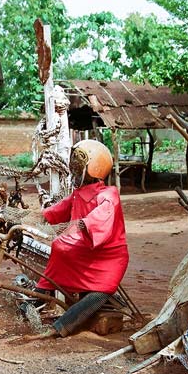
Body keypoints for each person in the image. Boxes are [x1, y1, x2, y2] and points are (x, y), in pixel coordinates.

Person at [35, 140, 129, 337]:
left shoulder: (109, 195)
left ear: (94, 169)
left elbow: (101, 220)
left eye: (79, 169)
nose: (76, 174)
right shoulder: (78, 194)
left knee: (98, 293)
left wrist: (81, 224)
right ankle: (38, 296)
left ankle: (60, 327)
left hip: (107, 260)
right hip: (84, 253)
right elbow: (56, 210)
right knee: (58, 247)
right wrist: (30, 217)